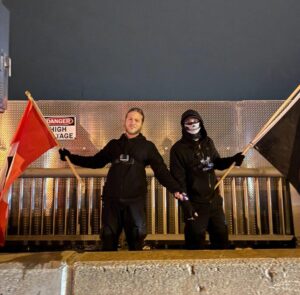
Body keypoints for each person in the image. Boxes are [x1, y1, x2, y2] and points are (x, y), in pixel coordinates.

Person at [59, 107, 185, 251]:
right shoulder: (114, 145)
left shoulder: (147, 147)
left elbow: (161, 171)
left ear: (141, 124)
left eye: (137, 120)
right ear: (124, 122)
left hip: (135, 202)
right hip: (112, 201)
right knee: (108, 237)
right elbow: (95, 162)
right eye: (130, 119)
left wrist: (175, 189)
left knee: (137, 238)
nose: (133, 122)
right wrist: (70, 157)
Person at [170, 109, 244, 250]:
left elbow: (217, 163)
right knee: (195, 243)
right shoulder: (178, 149)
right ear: (183, 126)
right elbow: (179, 183)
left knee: (221, 238)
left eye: (195, 121)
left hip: (214, 201)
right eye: (188, 122)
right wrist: (187, 207)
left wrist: (233, 159)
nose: (192, 124)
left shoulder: (208, 142)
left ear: (201, 123)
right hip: (195, 204)